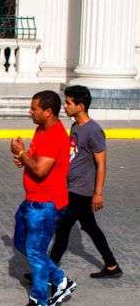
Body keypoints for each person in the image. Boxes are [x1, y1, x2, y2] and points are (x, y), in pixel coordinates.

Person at [9, 90, 76, 306]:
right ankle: (60, 280)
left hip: (46, 205)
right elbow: (33, 161)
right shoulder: (41, 130)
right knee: (21, 241)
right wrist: (22, 155)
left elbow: (39, 170)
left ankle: (39, 304)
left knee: (36, 252)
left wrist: (22, 155)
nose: (30, 112)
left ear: (48, 112)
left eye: (34, 108)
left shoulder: (56, 136)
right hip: (32, 200)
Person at [50, 85, 121, 278]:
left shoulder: (94, 131)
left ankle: (46, 272)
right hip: (71, 186)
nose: (65, 106)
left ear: (80, 106)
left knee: (62, 229)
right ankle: (112, 265)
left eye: (69, 102)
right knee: (90, 227)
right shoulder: (75, 126)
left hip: (81, 190)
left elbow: (102, 163)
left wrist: (98, 193)